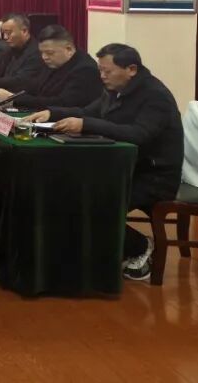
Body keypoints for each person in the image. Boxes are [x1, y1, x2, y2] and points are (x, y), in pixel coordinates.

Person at [26, 44, 183, 281]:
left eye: (107, 71)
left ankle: (140, 246)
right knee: (65, 189)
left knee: (92, 201)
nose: (102, 76)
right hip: (121, 166)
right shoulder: (114, 89)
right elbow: (86, 112)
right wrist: (52, 113)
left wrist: (87, 125)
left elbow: (139, 134)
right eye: (100, 70)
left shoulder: (155, 96)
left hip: (153, 176)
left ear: (131, 69)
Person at [0, 25, 101, 110]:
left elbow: (61, 103)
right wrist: (2, 93)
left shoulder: (85, 69)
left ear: (68, 49)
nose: (44, 57)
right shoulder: (53, 62)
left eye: (49, 53)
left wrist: (12, 99)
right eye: (42, 52)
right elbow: (34, 87)